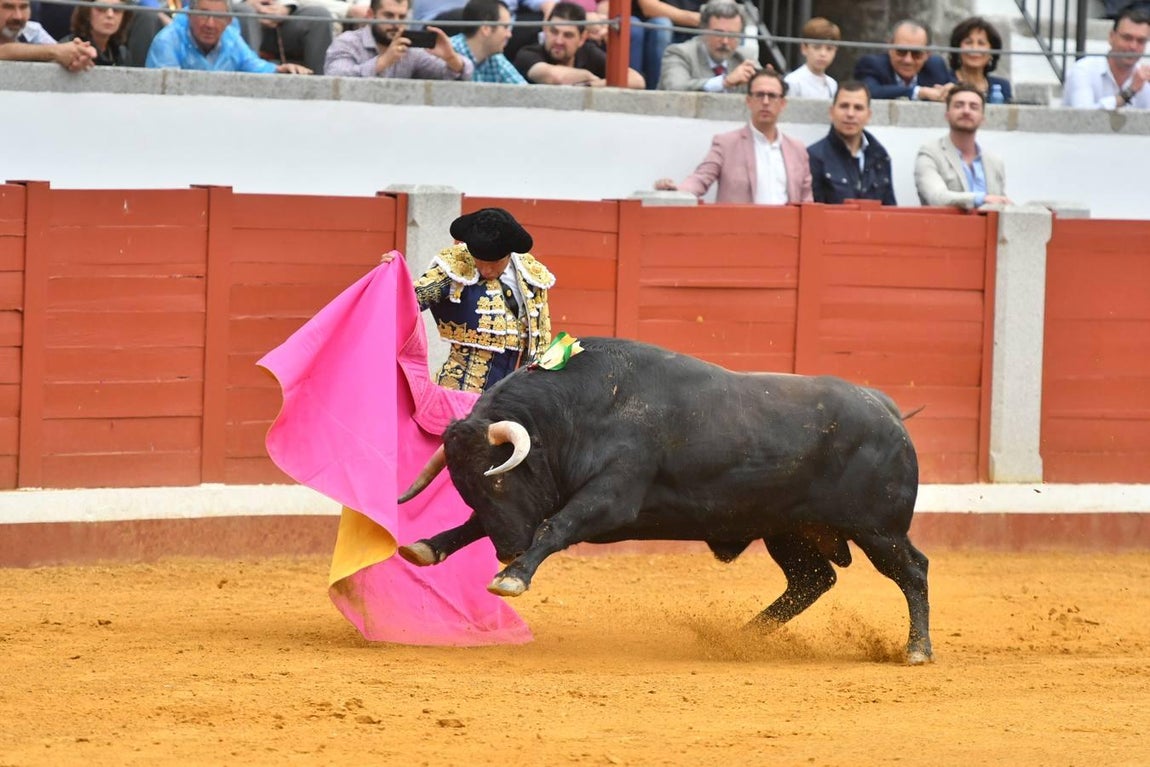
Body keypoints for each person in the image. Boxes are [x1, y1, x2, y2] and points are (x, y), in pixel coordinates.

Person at [382, 208, 555, 392]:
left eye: (494, 263)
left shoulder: (530, 276)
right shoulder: (455, 268)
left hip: (510, 398)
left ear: (509, 254)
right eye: (479, 260)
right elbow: (407, 299)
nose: (486, 270)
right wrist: (389, 277)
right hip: (458, 393)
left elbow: (539, 345)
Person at [653, 69, 813, 204]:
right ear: (748, 101)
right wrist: (676, 192)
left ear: (783, 103)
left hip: (785, 235)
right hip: (740, 235)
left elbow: (806, 200)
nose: (765, 102)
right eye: (759, 95)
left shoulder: (797, 149)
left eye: (772, 96)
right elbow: (701, 178)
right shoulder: (726, 144)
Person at [914, 84, 1012, 209]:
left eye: (974, 107)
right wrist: (981, 198)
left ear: (982, 118)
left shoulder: (994, 162)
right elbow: (936, 197)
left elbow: (1000, 204)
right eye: (959, 105)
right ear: (947, 115)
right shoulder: (930, 154)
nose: (966, 111)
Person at [146, 0, 312, 72]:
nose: (210, 24)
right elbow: (166, 92)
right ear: (189, 15)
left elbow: (252, 65)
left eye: (218, 17)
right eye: (203, 14)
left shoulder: (231, 36)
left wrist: (280, 70)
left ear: (228, 20)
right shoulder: (167, 41)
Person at [324, 0, 472, 79]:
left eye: (401, 17)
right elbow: (334, 78)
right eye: (389, 16)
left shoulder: (410, 49)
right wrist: (382, 62)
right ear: (370, 15)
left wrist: (451, 58)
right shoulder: (347, 42)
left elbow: (461, 73)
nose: (396, 23)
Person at [514, 1, 644, 88]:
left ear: (582, 39)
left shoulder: (588, 53)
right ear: (545, 30)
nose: (559, 41)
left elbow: (637, 80)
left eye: (568, 35)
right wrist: (589, 77)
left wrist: (594, 85)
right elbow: (555, 78)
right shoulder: (527, 54)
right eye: (554, 32)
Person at [807, 81, 895, 205]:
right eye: (844, 106)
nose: (850, 114)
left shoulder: (880, 156)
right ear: (831, 112)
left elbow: (890, 213)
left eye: (858, 108)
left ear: (868, 115)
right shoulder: (814, 157)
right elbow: (813, 214)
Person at [657, 0, 757, 93]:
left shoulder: (745, 57)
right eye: (718, 33)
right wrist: (724, 82)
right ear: (703, 30)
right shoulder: (679, 53)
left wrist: (768, 79)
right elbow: (675, 89)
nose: (725, 41)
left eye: (732, 35)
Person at [1063, 7, 1150, 109]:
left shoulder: (1145, 78)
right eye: (1127, 38)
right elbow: (1084, 117)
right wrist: (1130, 92)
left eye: (1141, 41)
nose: (1133, 46)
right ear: (1111, 37)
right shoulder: (1083, 70)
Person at [853, 19, 953, 102]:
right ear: (889, 47)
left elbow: (955, 91)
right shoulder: (871, 64)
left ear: (927, 55)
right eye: (901, 51)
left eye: (916, 54)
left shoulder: (936, 66)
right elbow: (869, 92)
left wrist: (953, 90)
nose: (908, 60)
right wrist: (919, 92)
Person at [235, 0, 334, 75]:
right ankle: (251, 78)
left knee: (318, 15)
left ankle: (321, 86)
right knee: (245, 12)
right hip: (240, 17)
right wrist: (248, 3)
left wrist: (286, 7)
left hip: (282, 20)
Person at [0, 0, 96, 70]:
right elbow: (3, 51)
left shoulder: (33, 30)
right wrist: (55, 52)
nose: (18, 16)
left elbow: (59, 52)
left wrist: (78, 55)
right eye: (8, 7)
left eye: (23, 7)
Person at [448, 0, 525, 84]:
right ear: (486, 29)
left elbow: (525, 92)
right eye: (505, 27)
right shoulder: (448, 52)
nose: (509, 35)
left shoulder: (496, 59)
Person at [631, 0, 695, 89]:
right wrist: (697, 19)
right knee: (661, 25)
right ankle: (656, 92)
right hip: (651, 27)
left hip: (694, 31)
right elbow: (649, 8)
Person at [947, 16, 1011, 104]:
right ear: (957, 48)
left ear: (992, 52)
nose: (974, 48)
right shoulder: (944, 80)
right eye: (968, 42)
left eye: (981, 43)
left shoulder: (1002, 86)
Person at [59, 0, 134, 66]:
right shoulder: (68, 48)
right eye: (101, 7)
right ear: (87, 12)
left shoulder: (122, 54)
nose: (110, 15)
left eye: (117, 9)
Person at [784, 16, 840, 100]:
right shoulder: (793, 82)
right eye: (817, 47)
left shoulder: (832, 84)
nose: (823, 54)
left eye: (829, 48)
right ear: (804, 48)